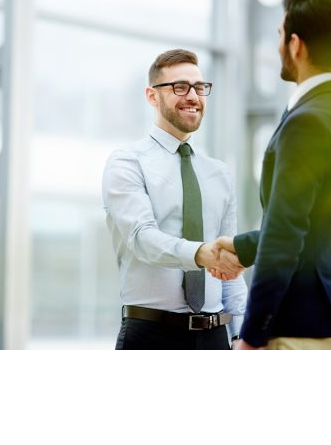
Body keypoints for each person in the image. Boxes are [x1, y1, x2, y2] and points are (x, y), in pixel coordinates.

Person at [211, 0, 331, 350]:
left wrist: (251, 336)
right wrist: (241, 245)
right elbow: (313, 229)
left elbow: (286, 237)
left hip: (297, 328)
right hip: (326, 324)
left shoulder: (307, 122)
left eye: (280, 34)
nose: (278, 45)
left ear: (295, 45)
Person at [102, 49, 247, 350]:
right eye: (180, 87)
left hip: (215, 337)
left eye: (199, 87)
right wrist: (201, 253)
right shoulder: (127, 163)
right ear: (152, 96)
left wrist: (242, 333)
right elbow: (142, 238)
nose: (193, 96)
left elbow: (229, 268)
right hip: (151, 335)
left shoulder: (219, 173)